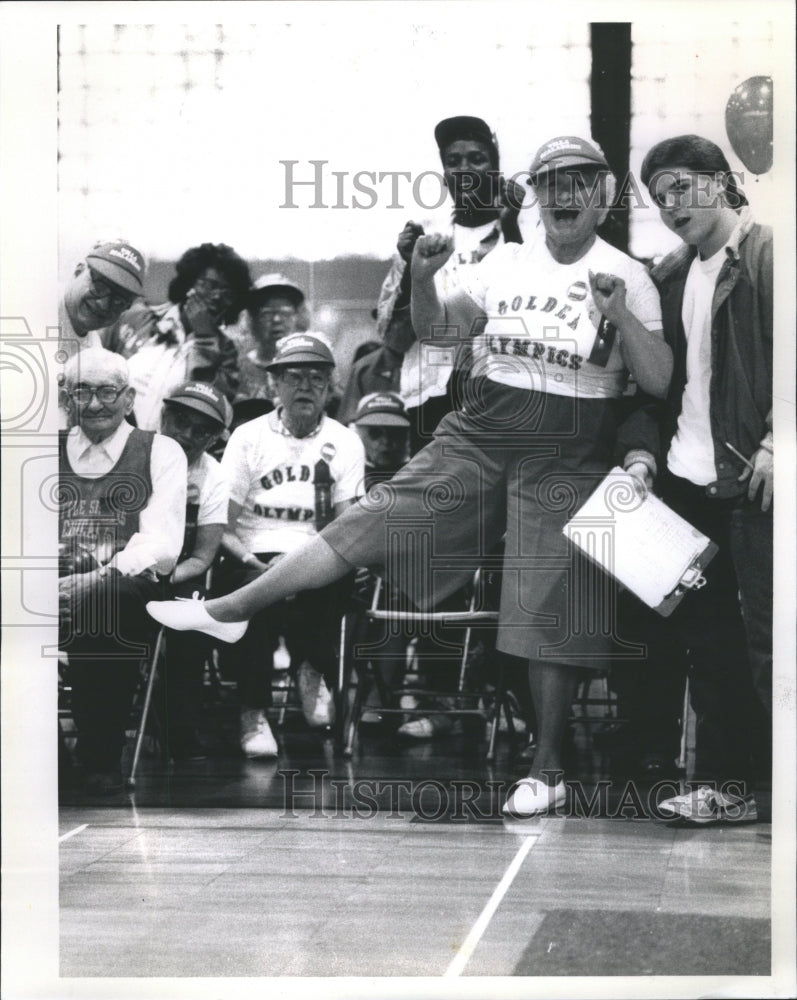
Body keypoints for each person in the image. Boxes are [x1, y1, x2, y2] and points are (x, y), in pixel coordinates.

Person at [147, 136, 671, 817]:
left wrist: (621, 317)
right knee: (376, 516)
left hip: (570, 441)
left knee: (545, 595)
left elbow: (656, 382)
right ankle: (228, 611)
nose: (564, 196)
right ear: (535, 197)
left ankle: (547, 769)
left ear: (602, 193)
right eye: (550, 183)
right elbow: (438, 331)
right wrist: (423, 277)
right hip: (484, 426)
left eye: (579, 183)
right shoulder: (508, 261)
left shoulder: (627, 274)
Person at [638, 135, 772, 824]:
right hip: (685, 482)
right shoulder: (668, 274)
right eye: (658, 195)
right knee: (708, 642)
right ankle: (726, 787)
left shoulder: (768, 256)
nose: (669, 204)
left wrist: (781, 440)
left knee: (767, 638)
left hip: (752, 479)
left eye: (682, 186)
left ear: (721, 182)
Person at [213, 333, 365, 757]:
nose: (305, 387)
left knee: (335, 579)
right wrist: (258, 563)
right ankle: (252, 712)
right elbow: (219, 525)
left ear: (330, 388)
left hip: (316, 554)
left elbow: (347, 525)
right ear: (273, 385)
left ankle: (311, 670)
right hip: (250, 555)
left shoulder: (346, 440)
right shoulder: (247, 437)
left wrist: (304, 564)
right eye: (294, 377)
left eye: (316, 379)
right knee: (249, 593)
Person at [59, 348, 186, 793]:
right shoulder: (43, 453)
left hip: (126, 590)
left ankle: (99, 755)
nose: (94, 403)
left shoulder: (160, 452)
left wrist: (93, 580)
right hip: (52, 584)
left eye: (107, 391)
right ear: (65, 398)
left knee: (104, 603)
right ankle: (48, 755)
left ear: (129, 398)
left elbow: (163, 546)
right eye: (82, 391)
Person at [376, 115, 527, 455]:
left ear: (496, 170)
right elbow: (393, 339)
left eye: (477, 159)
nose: (464, 169)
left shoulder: (525, 234)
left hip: (502, 394)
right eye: (453, 161)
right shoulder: (425, 237)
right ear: (444, 174)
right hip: (432, 400)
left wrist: (515, 228)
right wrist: (409, 272)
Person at [158, 382, 232, 760]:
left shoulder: (214, 477)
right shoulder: (132, 453)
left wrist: (161, 577)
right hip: (115, 570)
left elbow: (203, 558)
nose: (186, 435)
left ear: (215, 438)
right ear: (163, 417)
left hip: (177, 576)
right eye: (180, 422)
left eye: (201, 430)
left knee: (193, 619)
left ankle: (177, 731)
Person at [104, 242, 250, 430]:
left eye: (228, 294)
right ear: (189, 283)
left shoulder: (225, 352)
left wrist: (205, 339)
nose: (216, 297)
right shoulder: (136, 318)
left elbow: (206, 410)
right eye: (210, 285)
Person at [58, 240, 146, 426]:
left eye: (119, 300)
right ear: (79, 270)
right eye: (100, 286)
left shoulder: (93, 352)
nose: (104, 304)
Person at [234, 273, 307, 404]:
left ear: (296, 317)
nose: (277, 320)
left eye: (285, 313)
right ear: (253, 320)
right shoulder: (238, 367)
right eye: (267, 314)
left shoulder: (308, 366)